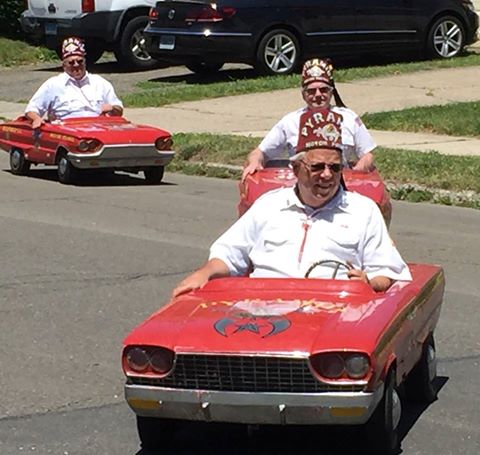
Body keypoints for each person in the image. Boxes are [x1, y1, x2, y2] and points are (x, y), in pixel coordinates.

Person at [173, 108, 411, 297]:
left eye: (335, 168)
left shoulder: (363, 211)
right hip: (261, 308)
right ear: (296, 169)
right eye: (317, 167)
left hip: (334, 312)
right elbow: (230, 253)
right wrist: (203, 273)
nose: (327, 175)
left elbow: (386, 271)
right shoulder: (269, 206)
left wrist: (368, 283)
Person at [242, 58, 375, 181]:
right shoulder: (290, 121)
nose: (318, 95)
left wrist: (356, 174)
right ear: (303, 95)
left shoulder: (349, 118)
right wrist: (255, 162)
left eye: (323, 90)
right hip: (299, 187)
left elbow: (368, 155)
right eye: (311, 91)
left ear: (331, 92)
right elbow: (260, 152)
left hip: (339, 186)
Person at [25, 37, 123, 129]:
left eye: (80, 61)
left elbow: (119, 109)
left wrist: (113, 108)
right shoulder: (53, 85)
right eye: (71, 62)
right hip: (66, 131)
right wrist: (37, 119)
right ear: (64, 65)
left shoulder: (100, 83)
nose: (76, 65)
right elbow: (31, 109)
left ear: (85, 62)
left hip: (98, 129)